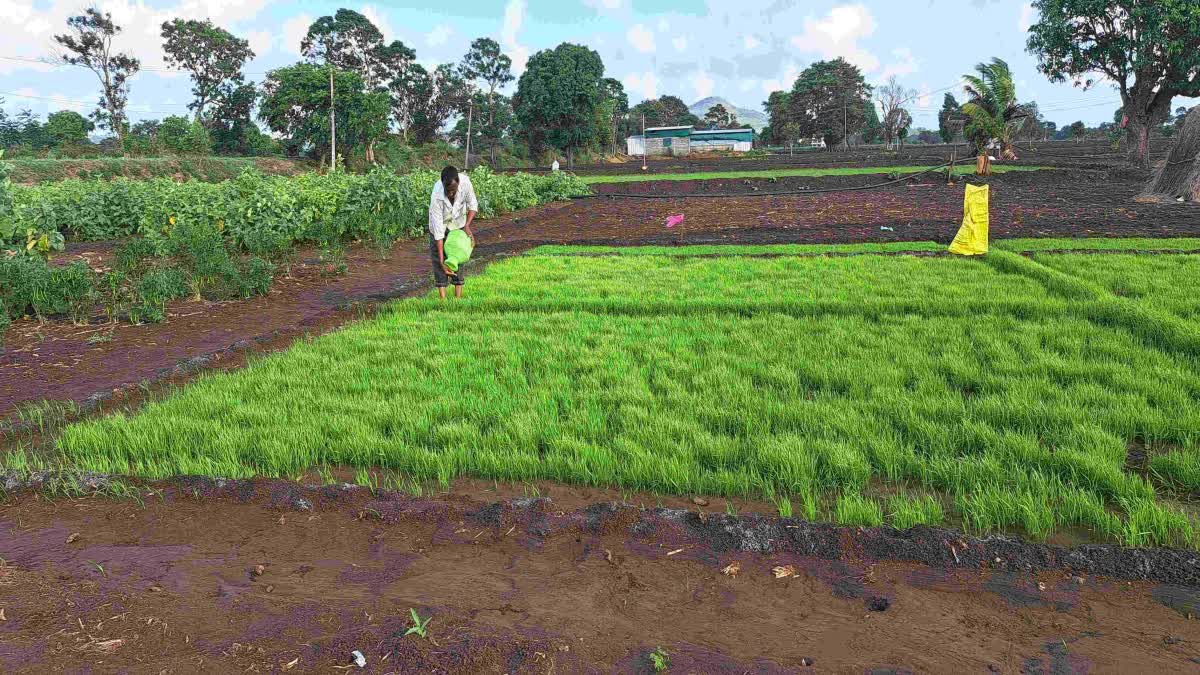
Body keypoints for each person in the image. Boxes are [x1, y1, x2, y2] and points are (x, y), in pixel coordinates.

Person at [428, 165, 477, 299]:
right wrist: (442, 261)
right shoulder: (437, 195)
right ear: (442, 184)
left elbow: (473, 205)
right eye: (447, 190)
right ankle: (443, 300)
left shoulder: (465, 183)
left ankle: (458, 298)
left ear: (458, 183)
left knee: (458, 256)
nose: (450, 193)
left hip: (458, 223)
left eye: (453, 190)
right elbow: (438, 233)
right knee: (439, 261)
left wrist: (467, 225)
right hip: (440, 226)